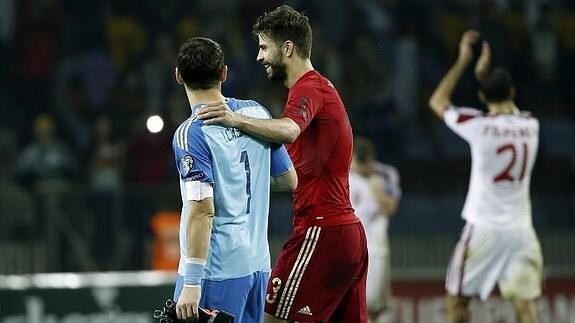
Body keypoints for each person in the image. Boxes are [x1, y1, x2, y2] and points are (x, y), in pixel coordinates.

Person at [198, 5, 369, 322]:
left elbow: (289, 130)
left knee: (274, 318)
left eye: (264, 47)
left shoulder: (308, 87)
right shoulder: (321, 87)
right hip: (345, 233)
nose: (259, 57)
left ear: (287, 47)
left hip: (321, 230)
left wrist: (233, 119)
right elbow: (289, 174)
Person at [171, 36, 297, 323]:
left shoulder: (191, 133)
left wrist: (192, 282)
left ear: (178, 76)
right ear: (224, 73)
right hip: (257, 267)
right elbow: (288, 180)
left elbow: (202, 210)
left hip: (216, 271)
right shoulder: (256, 112)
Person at [428, 30, 542, 323]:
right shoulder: (531, 125)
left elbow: (438, 101)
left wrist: (464, 60)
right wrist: (487, 76)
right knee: (526, 308)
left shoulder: (477, 125)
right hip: (521, 231)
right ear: (513, 92)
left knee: (456, 303)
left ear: (481, 96)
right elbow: (506, 106)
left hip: (484, 229)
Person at [349, 137, 401, 323]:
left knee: (373, 305)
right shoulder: (344, 173)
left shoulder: (386, 174)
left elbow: (390, 208)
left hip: (375, 247)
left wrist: (374, 185)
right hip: (348, 247)